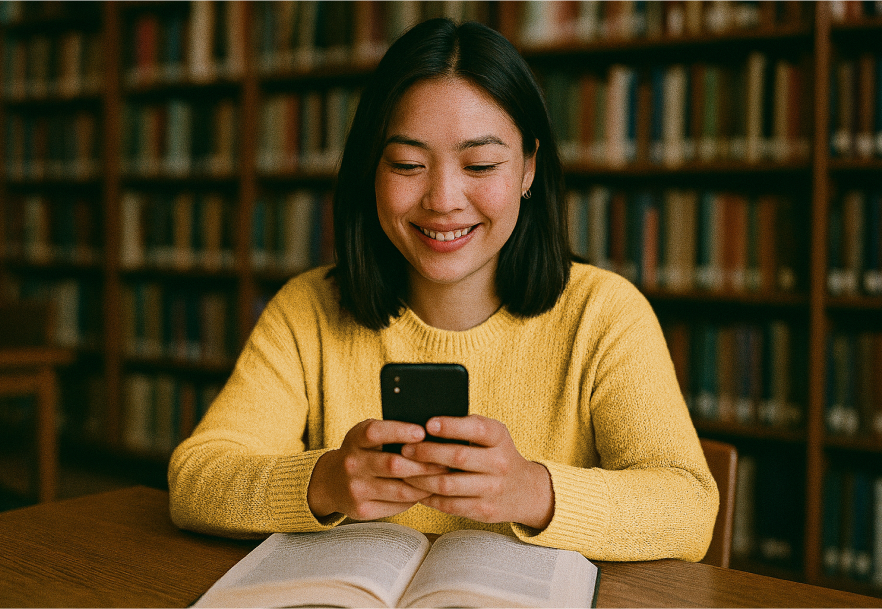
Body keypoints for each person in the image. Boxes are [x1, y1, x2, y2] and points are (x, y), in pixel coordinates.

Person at [168, 17, 718, 562]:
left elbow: (689, 508)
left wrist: (532, 491)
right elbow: (195, 480)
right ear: (372, 169)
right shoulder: (308, 309)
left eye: (480, 164)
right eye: (408, 164)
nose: (443, 200)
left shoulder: (604, 313)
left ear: (529, 168)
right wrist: (326, 481)